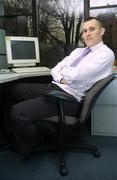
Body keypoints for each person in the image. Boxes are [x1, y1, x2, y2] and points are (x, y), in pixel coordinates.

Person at [5, 17, 115, 156]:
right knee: (13, 90)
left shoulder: (106, 54)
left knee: (18, 112)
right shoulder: (78, 52)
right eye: (85, 30)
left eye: (92, 29)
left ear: (102, 31)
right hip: (54, 87)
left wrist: (65, 74)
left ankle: (31, 144)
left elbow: (77, 76)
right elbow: (55, 69)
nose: (87, 33)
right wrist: (63, 77)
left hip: (68, 99)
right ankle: (15, 134)